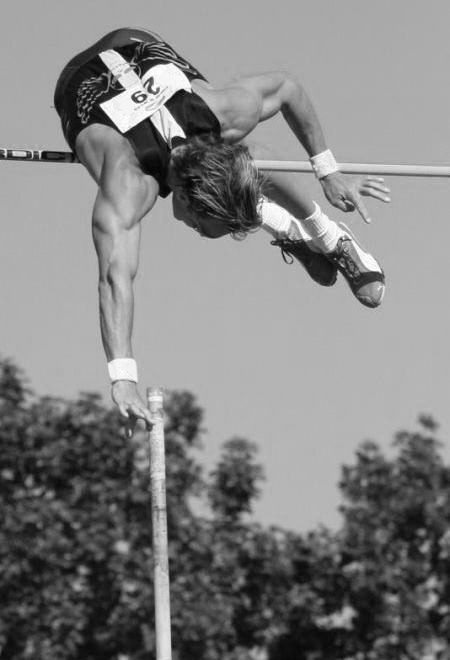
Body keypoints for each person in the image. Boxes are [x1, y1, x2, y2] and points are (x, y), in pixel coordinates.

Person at [54, 27, 391, 435]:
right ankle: (279, 221)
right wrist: (123, 378)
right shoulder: (127, 181)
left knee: (258, 164)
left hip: (134, 41)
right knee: (254, 167)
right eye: (203, 223)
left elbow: (288, 87)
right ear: (184, 197)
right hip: (77, 83)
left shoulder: (224, 112)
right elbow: (113, 276)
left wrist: (328, 170)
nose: (196, 230)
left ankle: (328, 235)